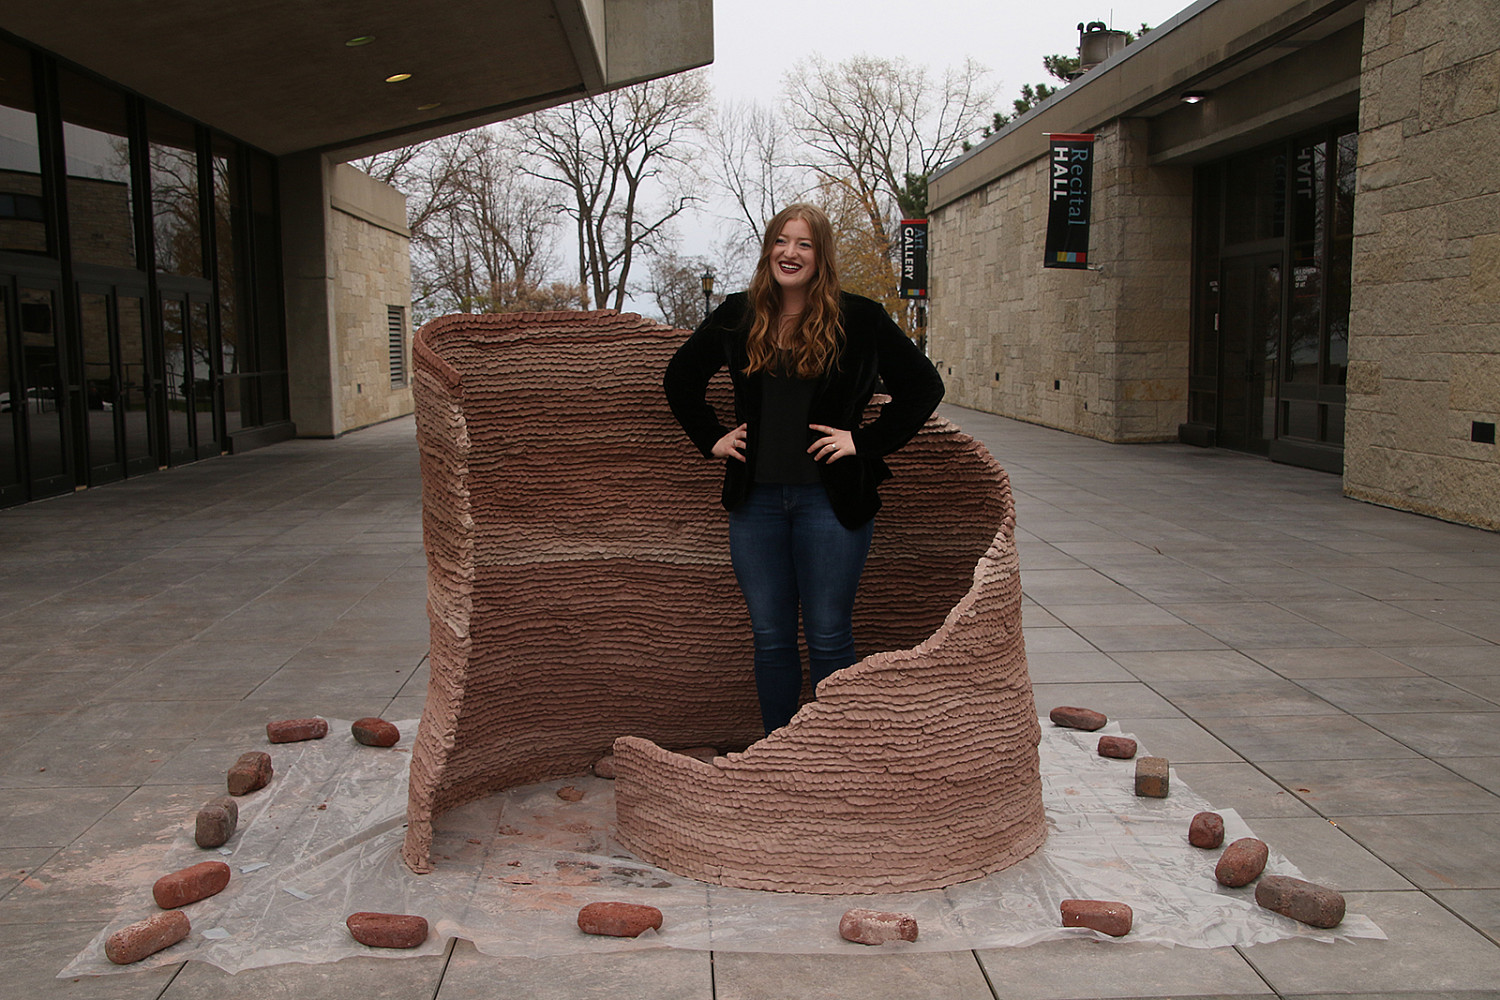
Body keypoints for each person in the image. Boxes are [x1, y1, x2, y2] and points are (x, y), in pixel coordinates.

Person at [663, 203, 944, 734]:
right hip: (757, 505)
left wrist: (864, 442)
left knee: (829, 634)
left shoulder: (859, 318)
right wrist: (712, 439)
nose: (790, 253)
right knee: (770, 636)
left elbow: (924, 386)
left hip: (830, 505)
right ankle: (778, 753)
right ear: (770, 247)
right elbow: (680, 380)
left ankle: (830, 755)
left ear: (821, 256)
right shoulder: (737, 313)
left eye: (804, 244)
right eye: (782, 241)